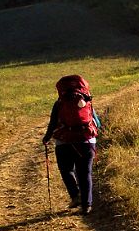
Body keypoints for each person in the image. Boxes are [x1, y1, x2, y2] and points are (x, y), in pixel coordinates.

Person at [42, 75, 99, 214]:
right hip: (87, 141)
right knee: (85, 172)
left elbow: (53, 124)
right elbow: (97, 123)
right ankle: (87, 206)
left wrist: (46, 138)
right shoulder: (86, 101)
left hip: (64, 141)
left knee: (66, 170)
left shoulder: (59, 103)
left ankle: (75, 196)